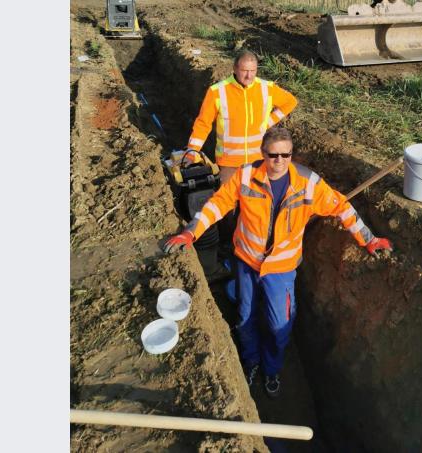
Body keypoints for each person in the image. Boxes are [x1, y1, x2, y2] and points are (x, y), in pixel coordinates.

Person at [164, 127, 393, 398]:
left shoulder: (308, 183)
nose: (280, 161)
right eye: (274, 155)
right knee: (245, 317)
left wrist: (368, 239)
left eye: (286, 155)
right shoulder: (246, 176)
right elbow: (216, 206)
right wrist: (191, 231)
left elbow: (342, 207)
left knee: (278, 325)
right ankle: (251, 362)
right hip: (246, 262)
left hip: (281, 271)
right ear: (263, 153)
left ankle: (271, 369)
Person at [185, 50, 298, 184]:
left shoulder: (266, 88)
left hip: (258, 160)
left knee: (255, 201)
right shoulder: (218, 91)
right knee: (229, 201)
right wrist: (192, 152)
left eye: (253, 70)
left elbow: (290, 102)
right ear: (235, 69)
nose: (249, 76)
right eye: (244, 70)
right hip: (229, 162)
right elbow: (203, 123)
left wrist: (268, 122)